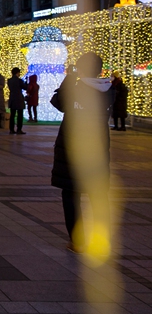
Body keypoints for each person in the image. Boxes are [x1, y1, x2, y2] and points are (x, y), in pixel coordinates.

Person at [50, 53, 112, 254]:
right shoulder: (110, 91)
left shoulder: (76, 89)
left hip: (72, 148)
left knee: (71, 194)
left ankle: (77, 241)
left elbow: (57, 102)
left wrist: (70, 77)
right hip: (98, 149)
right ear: (100, 70)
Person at [7, 67, 27, 134]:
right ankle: (19, 129)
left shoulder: (9, 80)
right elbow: (25, 87)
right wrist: (26, 83)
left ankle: (11, 129)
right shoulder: (19, 81)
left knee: (12, 115)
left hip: (12, 98)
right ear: (17, 73)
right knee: (20, 115)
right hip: (19, 98)